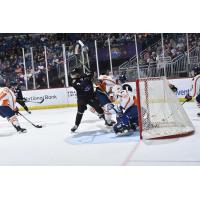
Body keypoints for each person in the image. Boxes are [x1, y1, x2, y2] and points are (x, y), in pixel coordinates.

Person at [70, 68, 105, 132]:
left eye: (74, 74)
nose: (72, 76)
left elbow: (93, 75)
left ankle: (106, 120)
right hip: (82, 99)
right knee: (80, 112)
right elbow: (82, 87)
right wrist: (86, 79)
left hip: (90, 96)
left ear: (78, 73)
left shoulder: (84, 75)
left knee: (98, 108)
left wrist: (91, 74)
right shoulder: (74, 82)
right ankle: (76, 125)